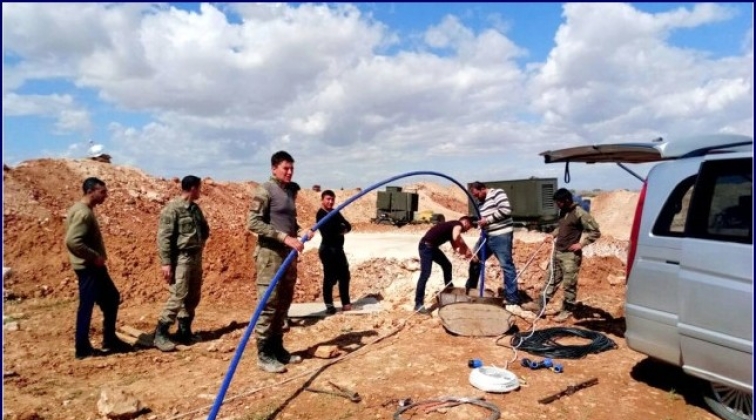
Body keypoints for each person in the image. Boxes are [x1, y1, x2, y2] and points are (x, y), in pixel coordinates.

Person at [247, 151, 313, 373]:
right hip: (270, 256)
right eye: (286, 168)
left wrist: (301, 231)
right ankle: (264, 354)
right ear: (274, 168)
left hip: (288, 256)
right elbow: (253, 222)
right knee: (268, 305)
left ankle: (277, 348)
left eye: (292, 168)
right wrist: (284, 237)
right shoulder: (265, 190)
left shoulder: (288, 192)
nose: (290, 172)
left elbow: (290, 222)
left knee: (283, 304)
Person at [65, 177, 131, 359]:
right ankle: (82, 348)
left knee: (111, 298)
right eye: (102, 192)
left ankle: (109, 340)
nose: (105, 196)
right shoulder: (83, 213)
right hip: (89, 268)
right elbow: (72, 241)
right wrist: (94, 256)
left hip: (92, 267)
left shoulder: (80, 209)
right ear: (90, 191)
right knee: (86, 306)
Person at [521, 188, 601, 321]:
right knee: (550, 281)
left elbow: (595, 232)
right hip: (557, 252)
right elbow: (562, 226)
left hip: (570, 256)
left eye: (559, 202)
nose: (557, 205)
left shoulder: (580, 214)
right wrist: (552, 235)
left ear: (567, 200)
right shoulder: (563, 211)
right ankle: (539, 305)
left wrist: (581, 244)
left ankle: (567, 310)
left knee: (569, 284)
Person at [153, 175, 210, 352]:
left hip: (195, 257)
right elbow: (164, 238)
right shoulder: (172, 209)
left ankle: (184, 331)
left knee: (193, 296)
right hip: (181, 259)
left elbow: (205, 229)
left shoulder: (195, 209)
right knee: (178, 294)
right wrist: (166, 263)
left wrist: (199, 244)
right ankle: (160, 333)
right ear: (192, 188)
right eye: (199, 188)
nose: (200, 191)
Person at [465, 182, 520, 306]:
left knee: (506, 265)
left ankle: (512, 298)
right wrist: (481, 225)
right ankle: (470, 290)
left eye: (477, 194)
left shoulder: (497, 193)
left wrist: (487, 220)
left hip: (501, 236)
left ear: (483, 188)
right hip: (486, 236)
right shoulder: (480, 202)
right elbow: (483, 220)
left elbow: (506, 210)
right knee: (475, 260)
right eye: (474, 196)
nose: (476, 197)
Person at [414, 216, 475, 314]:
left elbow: (457, 247)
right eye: (469, 227)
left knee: (447, 265)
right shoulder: (457, 224)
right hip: (426, 247)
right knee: (425, 274)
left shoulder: (452, 228)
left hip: (432, 248)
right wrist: (467, 250)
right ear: (465, 222)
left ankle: (449, 289)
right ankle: (418, 304)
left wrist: (468, 255)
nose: (467, 230)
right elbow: (456, 237)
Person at [316, 190, 353, 315]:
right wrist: (340, 229)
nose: (330, 202)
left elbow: (348, 226)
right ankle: (329, 305)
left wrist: (340, 228)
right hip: (327, 250)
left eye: (332, 199)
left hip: (338, 250)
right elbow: (328, 233)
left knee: (344, 276)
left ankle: (346, 302)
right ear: (322, 200)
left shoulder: (335, 212)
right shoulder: (321, 214)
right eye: (328, 199)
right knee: (330, 278)